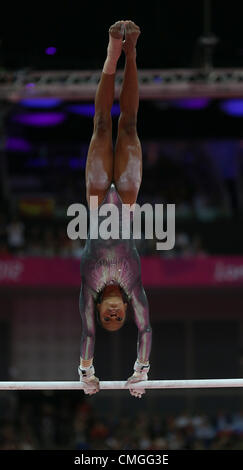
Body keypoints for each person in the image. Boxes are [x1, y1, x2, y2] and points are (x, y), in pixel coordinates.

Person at [78, 20, 152, 398]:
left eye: (107, 318)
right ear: (124, 308)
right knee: (131, 125)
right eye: (117, 319)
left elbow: (88, 333)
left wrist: (86, 372)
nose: (111, 317)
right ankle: (133, 52)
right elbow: (147, 330)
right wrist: (141, 370)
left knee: (102, 125)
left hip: (94, 202)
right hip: (125, 201)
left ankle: (113, 53)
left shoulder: (88, 290)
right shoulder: (134, 286)